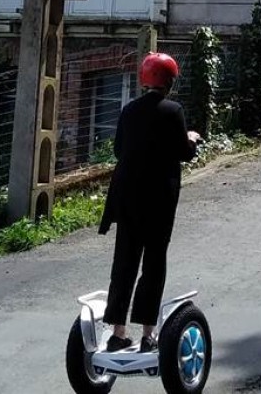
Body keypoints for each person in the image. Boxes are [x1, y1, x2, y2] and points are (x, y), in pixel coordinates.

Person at [98, 52, 202, 353]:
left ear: (145, 79)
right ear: (169, 81)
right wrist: (191, 138)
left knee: (125, 262)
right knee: (154, 263)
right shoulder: (173, 111)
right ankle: (147, 335)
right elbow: (183, 152)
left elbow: (119, 150)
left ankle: (118, 331)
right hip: (159, 199)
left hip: (127, 196)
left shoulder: (128, 110)